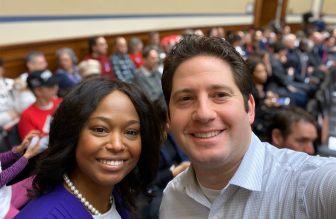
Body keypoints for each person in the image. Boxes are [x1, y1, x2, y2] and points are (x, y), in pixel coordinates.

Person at [159, 36, 336, 218]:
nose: (204, 114)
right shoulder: (172, 198)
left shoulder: (307, 186)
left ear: (250, 108)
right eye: (185, 98)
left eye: (220, 94)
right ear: (169, 119)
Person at [16, 78, 163, 218]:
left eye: (131, 132)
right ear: (71, 134)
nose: (117, 145)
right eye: (100, 129)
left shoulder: (115, 196)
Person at [0, 130, 40, 218]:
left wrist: (21, 148)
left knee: (41, 179)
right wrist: (27, 156)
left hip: (7, 193)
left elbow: (1, 158)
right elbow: (2, 179)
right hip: (2, 211)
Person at [18, 70, 62, 141]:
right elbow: (32, 148)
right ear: (38, 91)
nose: (56, 88)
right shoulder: (27, 116)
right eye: (51, 86)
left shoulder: (60, 102)